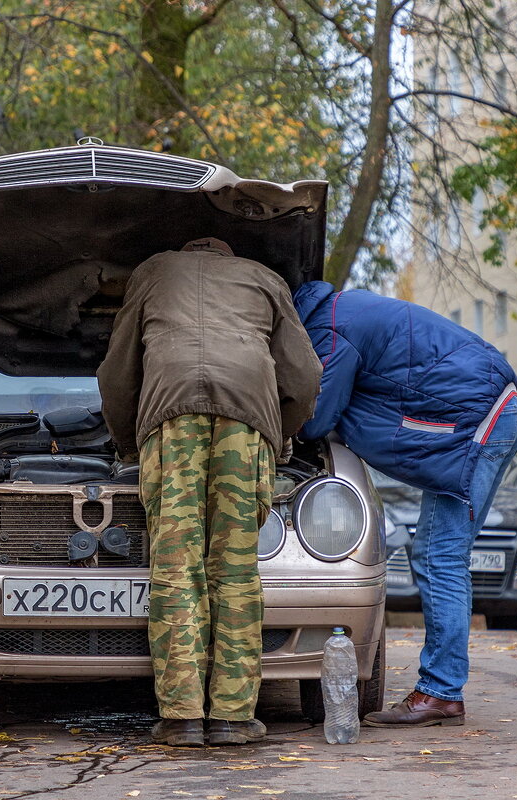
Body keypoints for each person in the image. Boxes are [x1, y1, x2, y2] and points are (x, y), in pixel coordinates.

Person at [98, 238, 320, 747]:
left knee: (177, 565)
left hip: (170, 413)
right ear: (228, 255)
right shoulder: (265, 279)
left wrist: (129, 443)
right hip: (247, 418)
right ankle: (233, 717)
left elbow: (117, 372)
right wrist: (278, 434)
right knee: (235, 566)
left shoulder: (153, 270)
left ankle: (181, 718)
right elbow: (304, 374)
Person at [293, 280, 517, 728]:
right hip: (489, 410)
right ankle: (442, 689)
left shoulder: (329, 327)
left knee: (441, 558)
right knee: (440, 556)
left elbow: (318, 417)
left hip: (479, 420)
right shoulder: (342, 311)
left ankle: (441, 692)